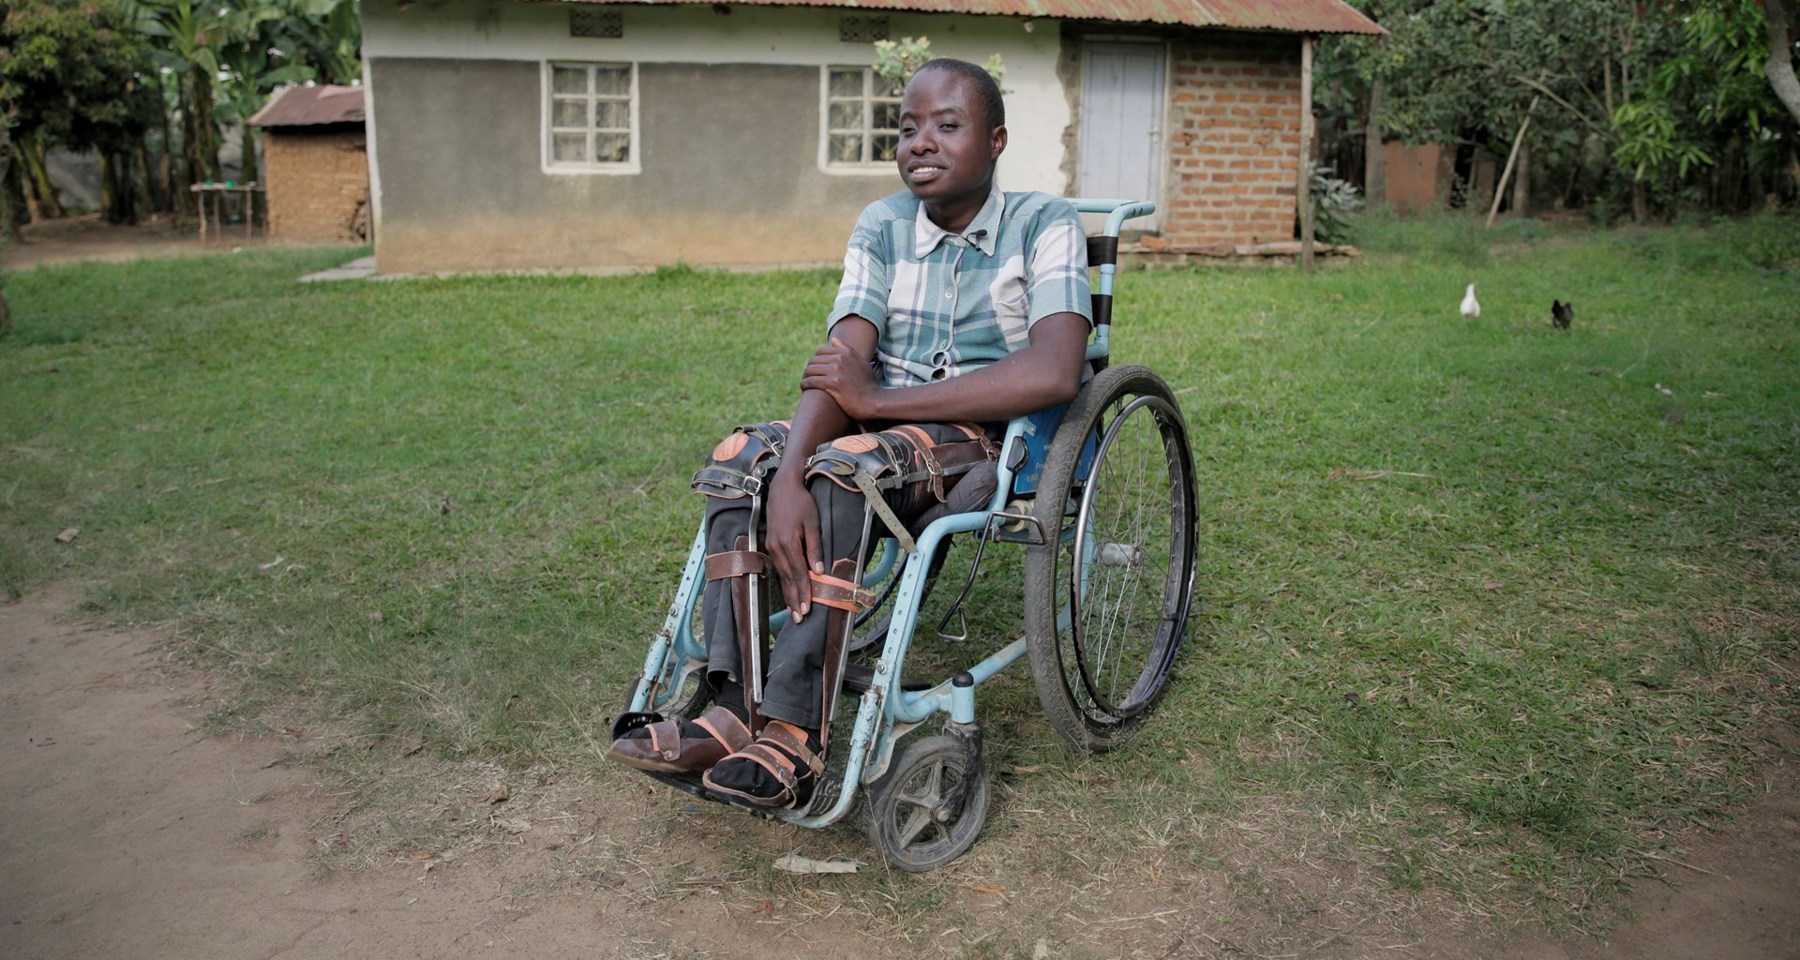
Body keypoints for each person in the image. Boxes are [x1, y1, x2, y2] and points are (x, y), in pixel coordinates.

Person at [607, 58, 1092, 808]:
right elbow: (844, 366)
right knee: (743, 462)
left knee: (848, 467)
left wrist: (873, 406)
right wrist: (788, 480)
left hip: (986, 434)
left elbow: (1058, 369)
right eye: (908, 128)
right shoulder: (884, 224)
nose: (921, 142)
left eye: (947, 125)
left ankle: (795, 735)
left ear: (996, 142)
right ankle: (735, 708)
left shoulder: (1044, 223)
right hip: (872, 422)